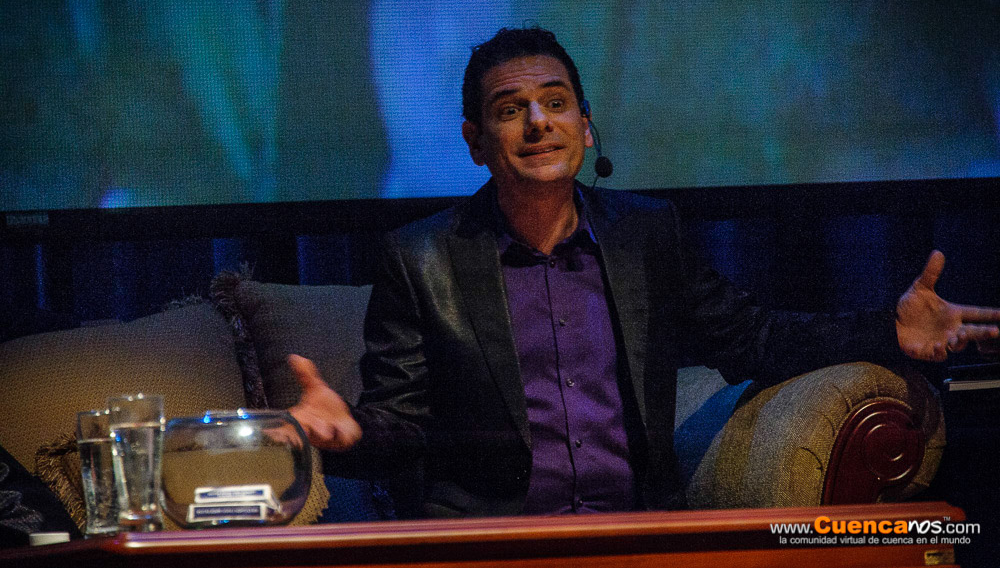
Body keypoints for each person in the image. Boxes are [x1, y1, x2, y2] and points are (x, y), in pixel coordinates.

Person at [289, 27, 1000, 517]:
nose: (538, 122)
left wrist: (889, 330)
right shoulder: (421, 257)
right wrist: (344, 433)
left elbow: (753, 339)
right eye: (510, 110)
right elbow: (402, 424)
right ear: (477, 141)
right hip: (491, 542)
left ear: (585, 123)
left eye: (556, 102)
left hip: (636, 534)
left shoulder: (646, 235)